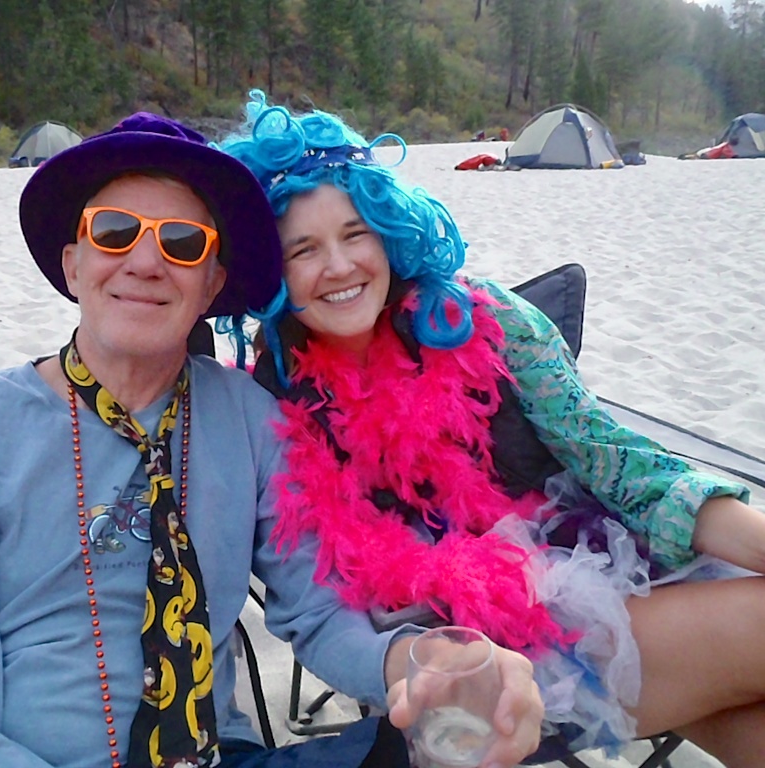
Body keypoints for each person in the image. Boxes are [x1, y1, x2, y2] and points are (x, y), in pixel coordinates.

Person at [0, 113, 543, 768]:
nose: (144, 262)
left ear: (212, 282)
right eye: (114, 232)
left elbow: (318, 616)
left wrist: (418, 663)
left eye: (183, 243)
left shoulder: (252, 422)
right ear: (72, 266)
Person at [218, 91, 765, 767]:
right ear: (272, 274)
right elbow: (318, 608)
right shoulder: (271, 409)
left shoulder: (488, 321)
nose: (338, 266)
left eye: (355, 233)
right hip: (476, 667)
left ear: (389, 230)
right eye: (303, 249)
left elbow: (619, 462)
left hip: (594, 573)